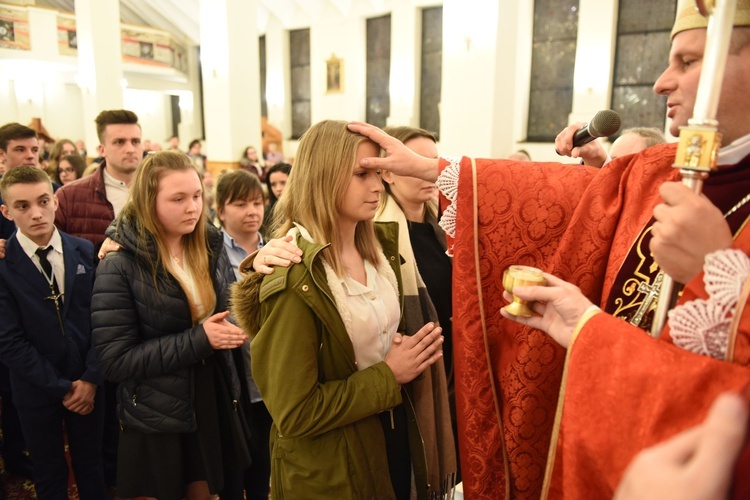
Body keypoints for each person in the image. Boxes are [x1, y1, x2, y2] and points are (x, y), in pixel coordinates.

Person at [346, 1, 750, 496]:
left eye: (688, 62)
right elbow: (552, 198)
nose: (661, 82)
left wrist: (721, 275)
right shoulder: (651, 171)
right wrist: (434, 168)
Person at [230, 120, 449, 499]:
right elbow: (295, 412)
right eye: (362, 174)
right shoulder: (297, 272)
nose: (378, 187)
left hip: (385, 437)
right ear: (324, 175)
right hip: (330, 468)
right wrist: (390, 374)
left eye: (379, 174)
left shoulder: (380, 249)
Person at [91, 151, 252, 499]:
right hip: (156, 409)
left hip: (211, 392)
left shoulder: (208, 244)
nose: (192, 207)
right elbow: (114, 360)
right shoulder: (119, 264)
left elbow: (226, 310)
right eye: (177, 199)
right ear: (149, 202)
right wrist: (200, 339)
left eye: (196, 196)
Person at [0, 166, 106, 498]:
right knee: (49, 473)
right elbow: (8, 340)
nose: (36, 213)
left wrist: (90, 379)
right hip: (35, 386)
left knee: (93, 466)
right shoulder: (4, 264)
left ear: (56, 202)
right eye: (22, 206)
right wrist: (62, 387)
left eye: (43, 201)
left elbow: (103, 320)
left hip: (88, 381)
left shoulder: (85, 251)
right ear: (6, 211)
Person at [214, 169, 270, 499]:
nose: (251, 211)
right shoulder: (210, 251)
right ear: (220, 210)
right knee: (233, 469)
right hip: (230, 375)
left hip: (267, 375)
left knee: (264, 465)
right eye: (240, 204)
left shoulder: (278, 246)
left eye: (257, 203)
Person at [55, 109, 143, 254]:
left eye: (135, 141)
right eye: (119, 142)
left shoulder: (158, 190)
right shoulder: (68, 196)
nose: (130, 149)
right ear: (102, 150)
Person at [263, 162, 291, 230]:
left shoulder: (304, 210)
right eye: (273, 184)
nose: (278, 189)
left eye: (283, 183)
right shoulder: (267, 213)